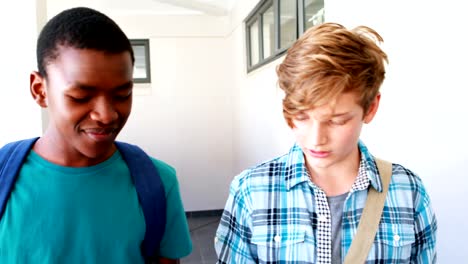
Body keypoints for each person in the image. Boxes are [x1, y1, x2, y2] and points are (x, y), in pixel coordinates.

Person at [215, 22, 437, 263]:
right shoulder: (250, 190)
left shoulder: (408, 191)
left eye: (337, 121)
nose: (316, 139)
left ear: (370, 107)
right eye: (301, 117)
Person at [0, 7, 191, 264]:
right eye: (81, 96)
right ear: (40, 90)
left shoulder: (158, 182)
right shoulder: (5, 178)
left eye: (122, 95)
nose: (107, 115)